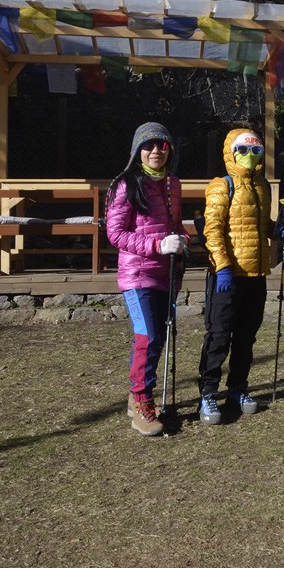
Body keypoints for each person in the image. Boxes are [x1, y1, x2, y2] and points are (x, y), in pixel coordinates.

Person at [197, 128, 284, 425]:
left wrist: (276, 230)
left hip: (255, 273)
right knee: (219, 335)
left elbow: (257, 224)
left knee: (246, 336)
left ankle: (238, 387)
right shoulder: (220, 186)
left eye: (255, 151)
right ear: (231, 153)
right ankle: (208, 392)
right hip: (227, 275)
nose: (249, 156)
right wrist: (221, 266)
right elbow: (212, 229)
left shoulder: (262, 186)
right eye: (243, 151)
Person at [105, 122, 188, 437]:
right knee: (147, 336)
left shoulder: (172, 184)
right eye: (148, 145)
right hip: (137, 275)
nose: (156, 151)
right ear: (137, 150)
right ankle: (142, 403)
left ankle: (136, 395)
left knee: (158, 337)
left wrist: (183, 239)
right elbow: (115, 233)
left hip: (167, 274)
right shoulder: (125, 184)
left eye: (162, 145)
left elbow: (175, 224)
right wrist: (157, 245)